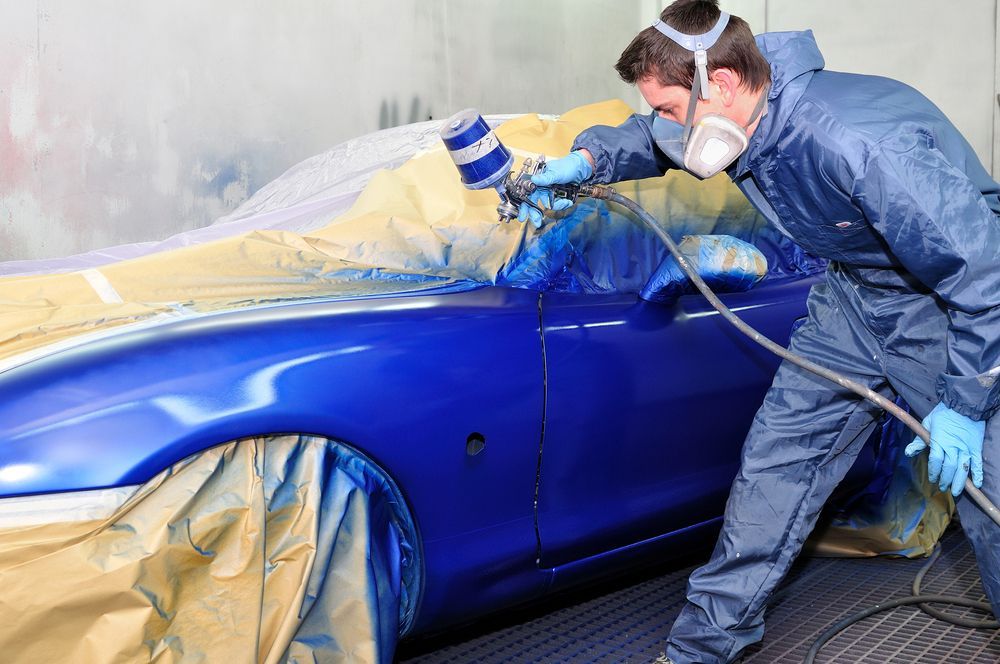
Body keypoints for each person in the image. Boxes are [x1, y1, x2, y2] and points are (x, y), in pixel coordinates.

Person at [519, 1, 1000, 662]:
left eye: (665, 106)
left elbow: (982, 269)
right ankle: (700, 650)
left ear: (717, 84)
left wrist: (968, 402)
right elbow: (653, 138)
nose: (663, 123)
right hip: (852, 304)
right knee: (776, 467)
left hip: (947, 307)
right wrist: (584, 161)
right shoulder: (738, 116)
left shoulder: (854, 142)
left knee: (989, 494)